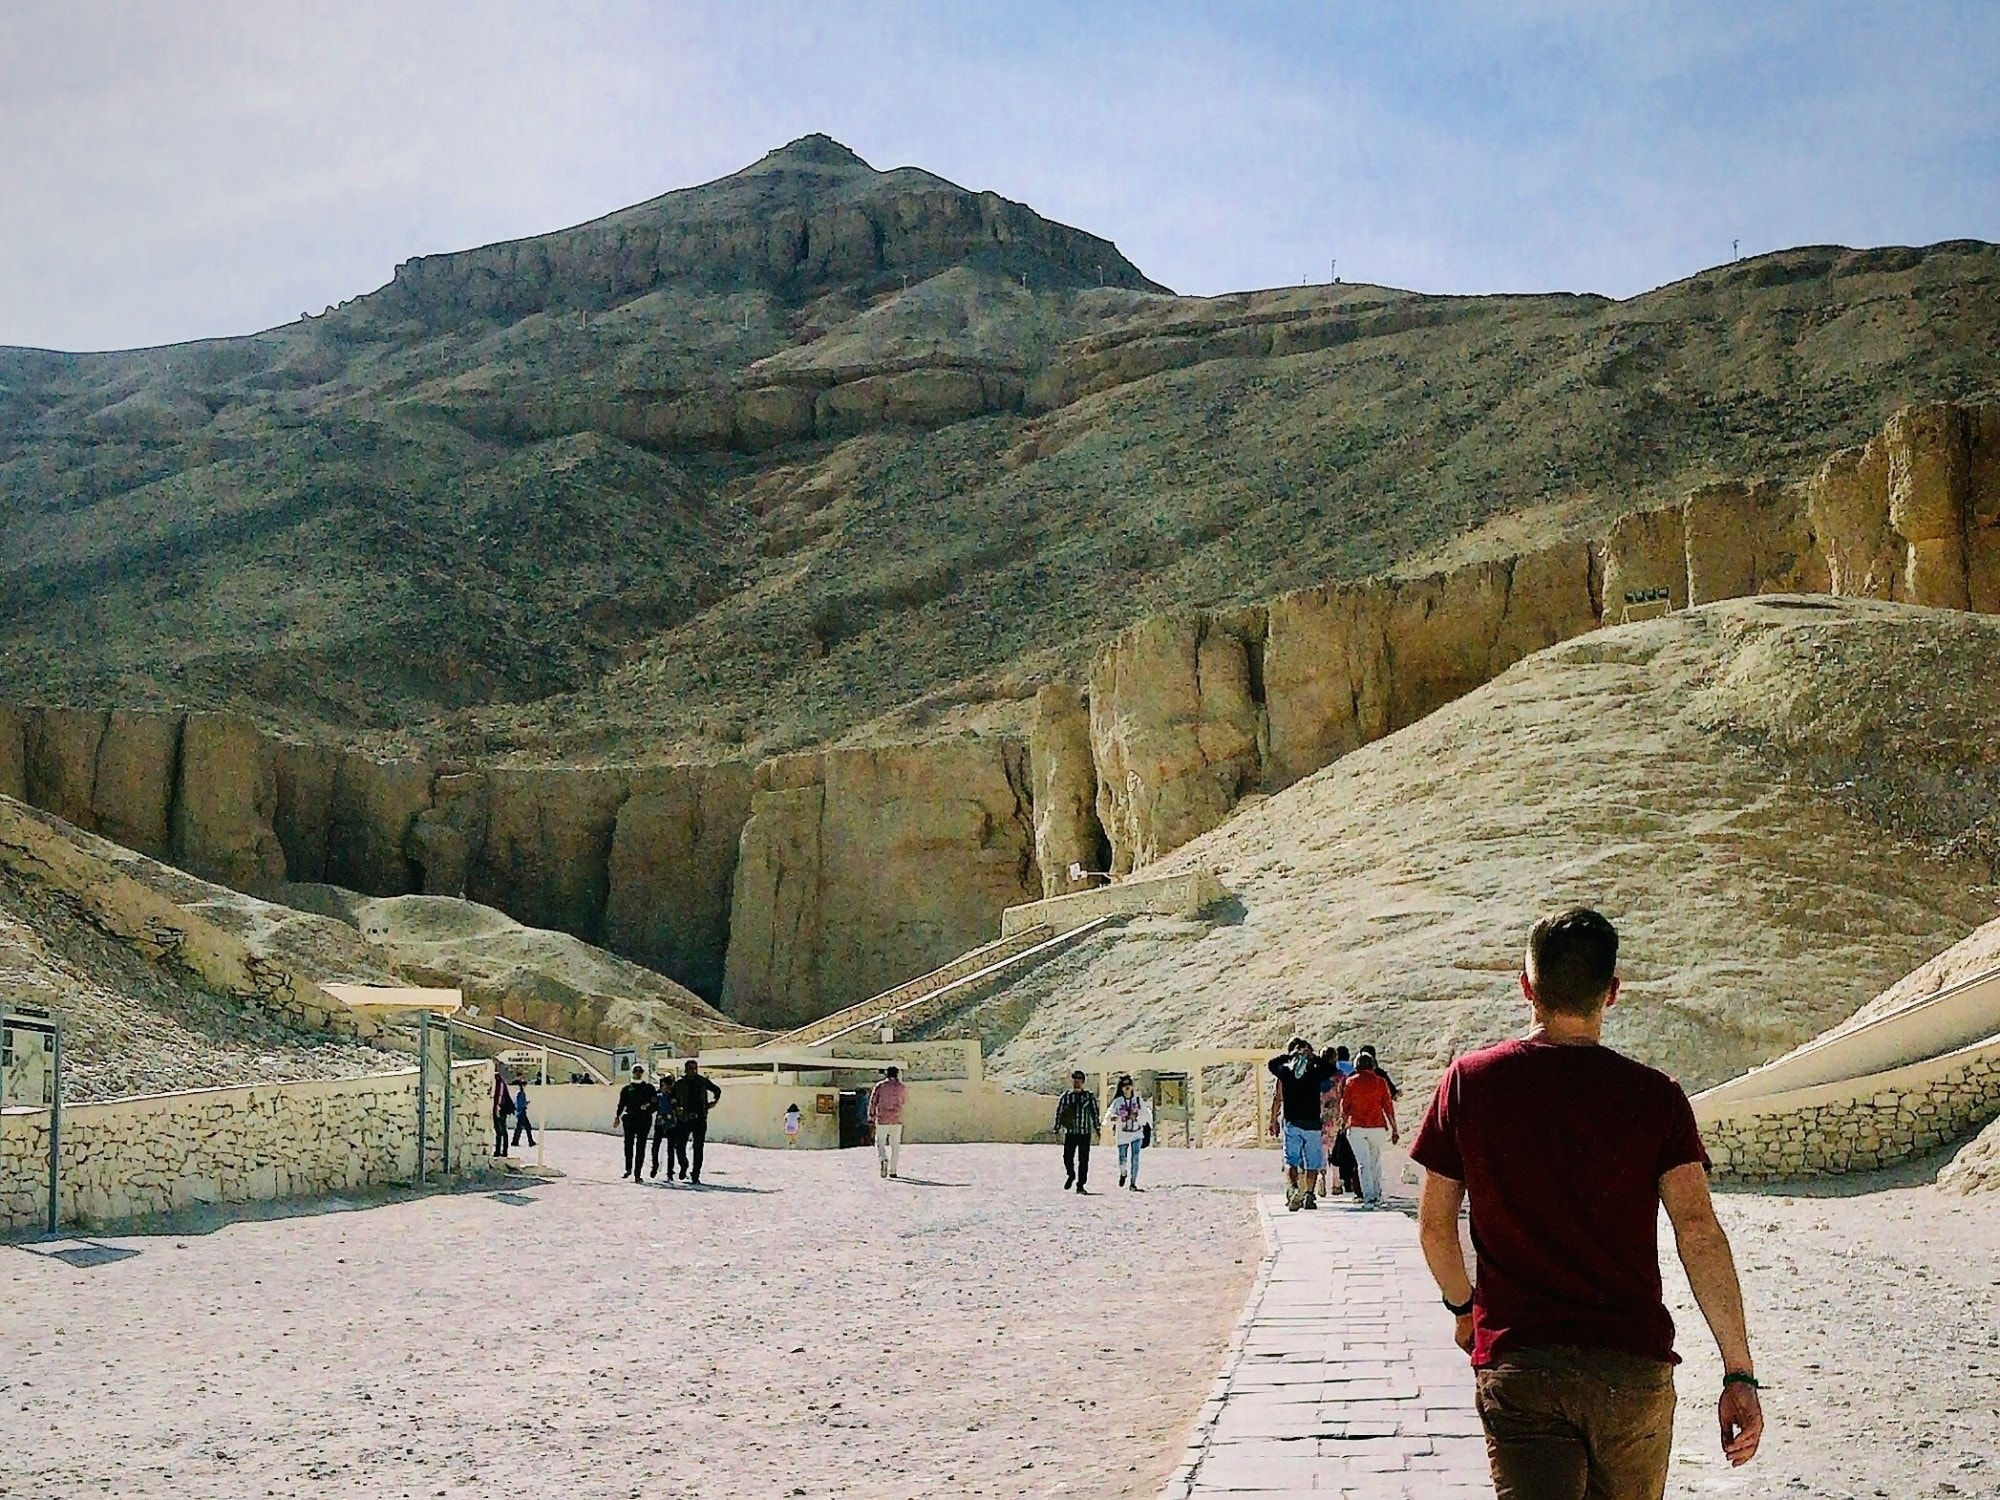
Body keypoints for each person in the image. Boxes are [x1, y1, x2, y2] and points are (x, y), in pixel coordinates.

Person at [1411, 907, 1762, 1499]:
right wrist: (1738, 1371)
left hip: (1523, 1365)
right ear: (1613, 992)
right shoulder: (1657, 1098)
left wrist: (1463, 1310)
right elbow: (1698, 1231)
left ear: (1527, 987)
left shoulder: (1470, 1083)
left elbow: (1435, 1228)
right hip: (1631, 1371)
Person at [1267, 1038, 1333, 1210]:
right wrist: (1313, 1057)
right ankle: (1310, 1195)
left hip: (1292, 1122)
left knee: (1291, 1161)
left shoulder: (1286, 1072)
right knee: (1312, 1163)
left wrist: (1289, 1056)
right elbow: (1331, 1069)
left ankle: (1294, 1188)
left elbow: (1271, 1064)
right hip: (1312, 1123)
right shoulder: (1314, 1071)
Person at [1340, 1052, 1398, 1204]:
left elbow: (1345, 1105)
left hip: (1357, 1125)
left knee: (1363, 1163)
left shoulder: (1350, 1082)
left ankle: (1368, 1195)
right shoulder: (1380, 1082)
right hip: (1377, 1125)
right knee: (1375, 1162)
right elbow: (1388, 1106)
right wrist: (1394, 1128)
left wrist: (1343, 1122)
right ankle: (1377, 1193)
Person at [666, 1059, 723, 1184]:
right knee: (679, 1146)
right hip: (683, 1119)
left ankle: (695, 1174)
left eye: (695, 1068)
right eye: (690, 1068)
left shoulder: (702, 1081)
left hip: (699, 1119)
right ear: (685, 1070)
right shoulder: (680, 1083)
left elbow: (717, 1090)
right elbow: (672, 1098)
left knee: (698, 1147)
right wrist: (676, 1108)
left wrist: (713, 1102)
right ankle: (684, 1164)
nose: (693, 1071)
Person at [1053, 1070, 1100, 1192]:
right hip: (1071, 1132)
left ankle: (1080, 1185)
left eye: (1079, 1081)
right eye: (1075, 1080)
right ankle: (1071, 1174)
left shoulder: (1089, 1097)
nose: (1076, 1083)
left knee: (1083, 1160)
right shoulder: (1066, 1097)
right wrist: (1057, 1128)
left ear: (1083, 1082)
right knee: (1067, 1157)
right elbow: (1059, 1112)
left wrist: (1097, 1128)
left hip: (1085, 1133)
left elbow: (1095, 1113)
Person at [1107, 1074, 1152, 1191]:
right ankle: (1123, 1173)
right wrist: (1115, 1118)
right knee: (1122, 1157)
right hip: (1123, 1133)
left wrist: (1137, 1116)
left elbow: (1146, 1114)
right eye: (1124, 1085)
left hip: (1136, 1132)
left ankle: (1133, 1182)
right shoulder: (1117, 1102)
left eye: (1129, 1085)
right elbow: (1109, 1115)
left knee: (1135, 1157)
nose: (1127, 1088)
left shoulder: (1138, 1099)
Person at [613, 1065, 655, 1182]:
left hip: (644, 1119)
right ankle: (628, 1169)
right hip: (630, 1119)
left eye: (640, 1072)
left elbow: (655, 1102)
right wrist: (617, 1117)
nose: (638, 1074)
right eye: (635, 1072)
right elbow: (622, 1104)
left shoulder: (648, 1088)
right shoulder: (627, 1089)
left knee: (641, 1146)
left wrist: (647, 1106)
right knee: (628, 1145)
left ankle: (638, 1173)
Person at [868, 1066, 908, 1178]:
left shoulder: (880, 1086)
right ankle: (893, 1170)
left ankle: (883, 1158)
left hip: (882, 1118)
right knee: (895, 1145)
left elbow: (873, 1100)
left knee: (880, 1142)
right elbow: (904, 1101)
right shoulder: (902, 1087)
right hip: (896, 1118)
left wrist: (871, 1115)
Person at [491, 1062, 513, 1160]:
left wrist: (497, 1108)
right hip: (500, 1108)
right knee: (500, 1131)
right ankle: (499, 1151)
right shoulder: (499, 1081)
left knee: (502, 1131)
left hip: (501, 1109)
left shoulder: (499, 1082)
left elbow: (499, 1097)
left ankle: (503, 1151)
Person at [511, 1078, 536, 1150]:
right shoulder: (520, 1093)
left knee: (522, 1127)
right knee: (525, 1127)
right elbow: (520, 1104)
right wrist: (525, 1105)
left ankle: (516, 1141)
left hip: (521, 1112)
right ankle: (528, 1141)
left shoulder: (520, 1093)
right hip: (521, 1112)